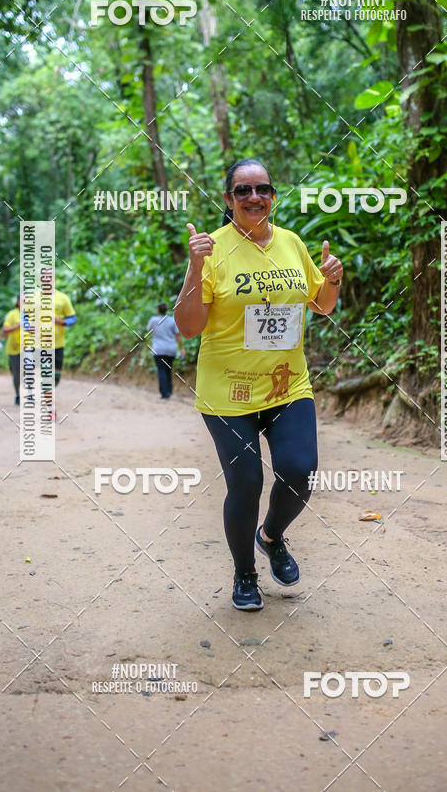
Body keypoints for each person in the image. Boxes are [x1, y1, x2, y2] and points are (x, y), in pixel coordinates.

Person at [175, 158, 343, 610]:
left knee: (299, 470)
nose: (254, 197)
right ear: (228, 200)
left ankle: (270, 536)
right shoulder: (213, 251)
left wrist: (331, 281)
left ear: (272, 196)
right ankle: (245, 574)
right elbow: (188, 327)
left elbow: (322, 305)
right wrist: (195, 266)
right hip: (228, 393)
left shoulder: (290, 243)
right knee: (246, 483)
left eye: (263, 189)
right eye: (243, 191)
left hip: (287, 385)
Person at [146, 303, 186, 399]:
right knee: (168, 369)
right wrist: (182, 348)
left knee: (161, 370)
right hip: (170, 349)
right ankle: (169, 390)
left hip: (158, 349)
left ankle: (164, 393)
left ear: (158, 311)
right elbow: (178, 336)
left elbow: (148, 330)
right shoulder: (172, 321)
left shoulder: (153, 320)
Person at [3, 295, 21, 405]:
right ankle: (18, 395)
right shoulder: (12, 314)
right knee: (17, 374)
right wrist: (17, 326)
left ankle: (30, 395)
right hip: (14, 349)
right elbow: (5, 331)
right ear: (18, 302)